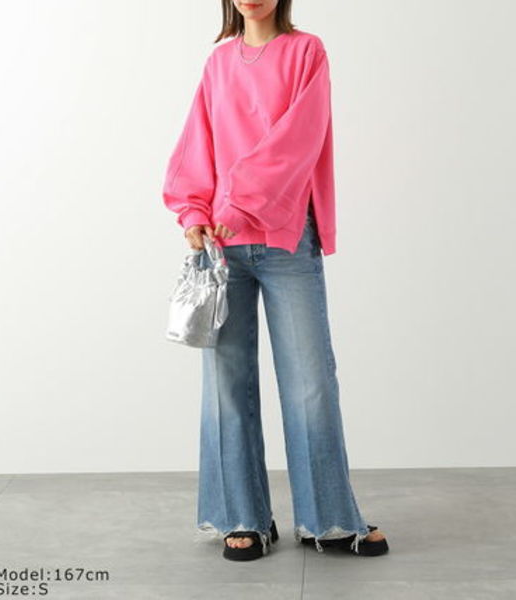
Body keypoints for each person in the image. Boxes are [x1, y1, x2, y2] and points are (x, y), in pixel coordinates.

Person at [162, 0, 389, 561]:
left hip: (287, 239)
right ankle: (241, 517)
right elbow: (197, 145)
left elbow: (298, 141)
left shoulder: (306, 52)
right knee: (226, 385)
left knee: (311, 383)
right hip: (221, 247)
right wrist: (192, 213)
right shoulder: (218, 64)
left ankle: (327, 519)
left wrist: (238, 203)